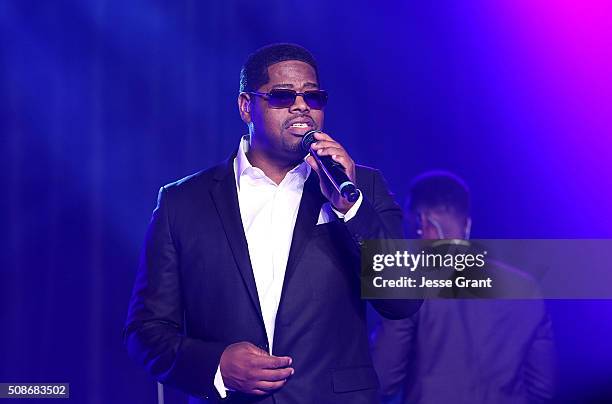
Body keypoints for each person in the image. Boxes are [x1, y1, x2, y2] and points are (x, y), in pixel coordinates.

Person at [124, 43, 421, 404]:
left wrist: (351, 209)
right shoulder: (183, 202)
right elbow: (146, 331)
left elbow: (403, 300)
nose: (301, 106)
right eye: (282, 96)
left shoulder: (361, 185)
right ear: (246, 106)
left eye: (313, 97)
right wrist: (216, 366)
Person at [371, 171, 557, 404]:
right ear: (467, 224)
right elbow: (542, 389)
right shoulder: (525, 287)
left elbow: (383, 379)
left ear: (421, 224)